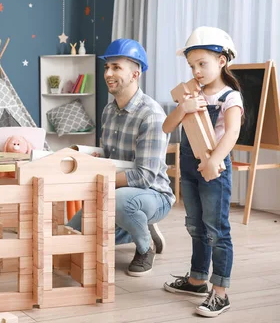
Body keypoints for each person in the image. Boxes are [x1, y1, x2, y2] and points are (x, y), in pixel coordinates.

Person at [67, 39, 175, 276]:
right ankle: (138, 225)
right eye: (107, 67)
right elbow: (108, 156)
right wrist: (90, 158)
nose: (108, 73)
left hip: (153, 194)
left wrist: (101, 180)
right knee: (70, 235)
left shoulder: (152, 115)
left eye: (116, 67)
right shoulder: (108, 111)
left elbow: (145, 175)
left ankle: (145, 247)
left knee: (121, 201)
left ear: (135, 73)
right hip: (118, 191)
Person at [162, 27, 243, 318]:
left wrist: (214, 160)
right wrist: (183, 107)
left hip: (214, 169)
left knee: (216, 229)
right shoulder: (190, 94)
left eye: (202, 64)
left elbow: (231, 132)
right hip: (189, 167)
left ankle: (220, 292)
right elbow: (167, 127)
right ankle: (197, 279)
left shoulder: (229, 97)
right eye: (191, 65)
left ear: (222, 61)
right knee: (195, 225)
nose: (196, 71)